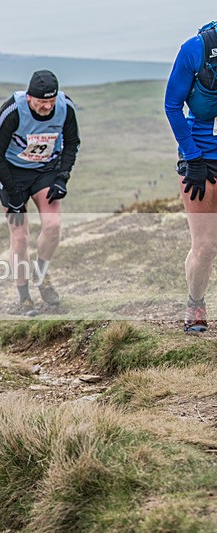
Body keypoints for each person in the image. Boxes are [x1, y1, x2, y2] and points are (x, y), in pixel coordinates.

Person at [0, 69, 80, 316]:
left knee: (53, 227)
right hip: (12, 173)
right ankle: (24, 297)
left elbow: (72, 143)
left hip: (45, 171)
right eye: (41, 102)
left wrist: (62, 177)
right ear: (30, 98)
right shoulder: (13, 111)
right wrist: (13, 194)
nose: (47, 107)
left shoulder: (65, 107)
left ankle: (41, 273)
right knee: (20, 237)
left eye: (51, 101)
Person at [164, 20, 217, 333]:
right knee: (207, 246)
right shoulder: (195, 49)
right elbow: (172, 105)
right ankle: (195, 303)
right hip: (202, 158)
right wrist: (193, 156)